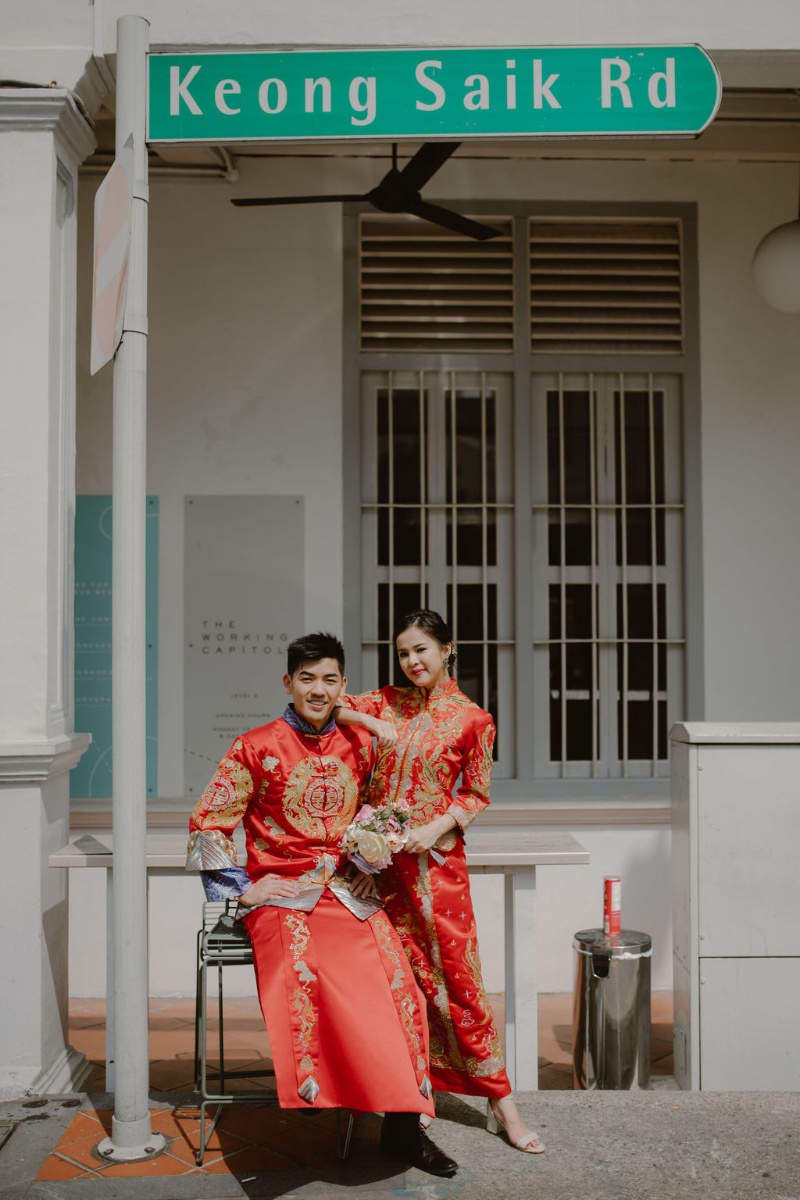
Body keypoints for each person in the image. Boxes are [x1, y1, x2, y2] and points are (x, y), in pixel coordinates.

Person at [186, 631, 457, 1178]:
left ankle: (402, 1129)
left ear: (342, 687)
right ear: (287, 683)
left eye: (329, 679)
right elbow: (206, 824)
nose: (317, 689)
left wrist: (365, 864)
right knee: (314, 972)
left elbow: (384, 813)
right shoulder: (253, 746)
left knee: (397, 980)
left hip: (347, 891)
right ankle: (332, 1096)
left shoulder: (360, 746)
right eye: (306, 678)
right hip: (282, 898)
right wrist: (244, 889)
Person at [338, 610, 545, 1154]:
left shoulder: (473, 719)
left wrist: (436, 825)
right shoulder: (382, 702)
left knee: (458, 981)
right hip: (376, 870)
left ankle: (502, 1104)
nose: (412, 662)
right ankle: (416, 1094)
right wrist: (369, 724)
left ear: (447, 649)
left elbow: (476, 793)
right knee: (399, 979)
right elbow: (325, 704)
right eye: (404, 653)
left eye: (422, 650)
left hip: (435, 870)